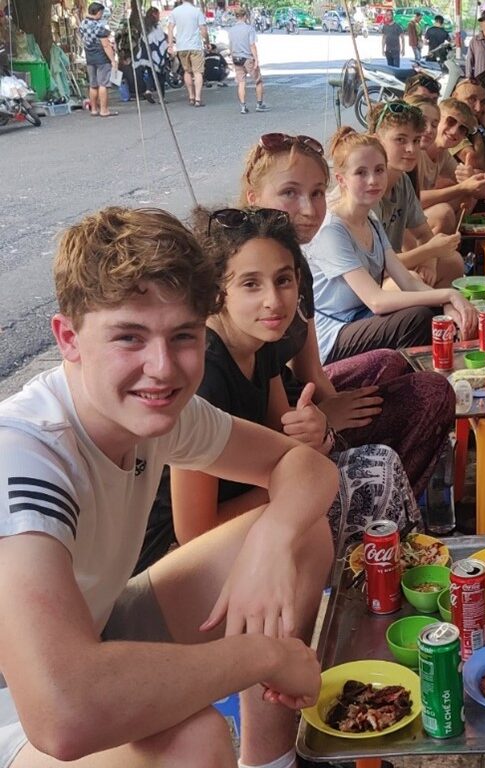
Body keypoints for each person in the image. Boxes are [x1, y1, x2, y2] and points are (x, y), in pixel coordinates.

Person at [0, 206, 335, 768]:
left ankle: (272, 763)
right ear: (68, 339)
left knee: (303, 534)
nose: (161, 368)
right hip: (21, 703)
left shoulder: (157, 412)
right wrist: (262, 657)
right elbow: (62, 713)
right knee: (194, 741)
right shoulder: (28, 455)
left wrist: (272, 540)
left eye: (182, 336)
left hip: (98, 627)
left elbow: (306, 468)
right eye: (129, 337)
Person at [168, 206, 420, 556]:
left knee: (379, 461)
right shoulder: (204, 376)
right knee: (370, 476)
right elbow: (193, 534)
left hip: (258, 493)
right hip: (183, 552)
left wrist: (315, 431)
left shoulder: (262, 341)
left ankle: (396, 575)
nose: (273, 301)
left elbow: (280, 439)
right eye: (251, 284)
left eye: (283, 280)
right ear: (217, 292)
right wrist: (299, 482)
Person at [238, 131, 457, 504]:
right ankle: (375, 502)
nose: (308, 209)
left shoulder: (298, 265)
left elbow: (310, 370)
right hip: (274, 440)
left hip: (302, 410)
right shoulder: (245, 271)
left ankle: (391, 497)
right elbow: (271, 408)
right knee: (426, 382)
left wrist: (334, 410)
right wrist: (326, 426)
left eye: (317, 193)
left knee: (397, 367)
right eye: (290, 193)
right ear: (254, 198)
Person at [309, 126, 477, 364]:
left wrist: (448, 303)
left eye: (379, 170)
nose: (373, 180)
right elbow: (376, 301)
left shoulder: (371, 219)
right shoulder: (332, 231)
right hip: (332, 334)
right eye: (361, 173)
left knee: (437, 313)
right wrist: (448, 294)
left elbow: (406, 281)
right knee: (417, 318)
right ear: (341, 180)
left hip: (360, 319)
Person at [363, 100, 465, 287]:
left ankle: (437, 314)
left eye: (416, 141)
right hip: (367, 284)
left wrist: (429, 262)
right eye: (400, 140)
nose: (411, 149)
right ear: (377, 141)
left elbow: (424, 234)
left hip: (391, 269)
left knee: (454, 262)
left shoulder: (402, 181)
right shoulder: (367, 190)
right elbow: (375, 266)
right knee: (413, 282)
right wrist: (429, 252)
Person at [413, 97, 485, 230]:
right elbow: (412, 201)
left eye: (462, 129)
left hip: (414, 215)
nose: (454, 131)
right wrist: (462, 187)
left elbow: (477, 192)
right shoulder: (415, 150)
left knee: (470, 189)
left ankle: (454, 240)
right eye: (451, 121)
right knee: (443, 213)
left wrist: (474, 181)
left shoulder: (443, 154)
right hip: (399, 221)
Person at [228, 7, 269, 115]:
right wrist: (256, 59)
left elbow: (231, 46)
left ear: (236, 17)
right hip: (247, 58)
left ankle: (243, 106)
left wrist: (232, 59)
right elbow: (252, 45)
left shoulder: (231, 30)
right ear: (245, 16)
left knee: (241, 82)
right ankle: (259, 104)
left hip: (236, 58)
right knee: (258, 81)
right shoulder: (249, 29)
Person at [167, 0, 208, 107]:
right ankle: (198, 99)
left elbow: (170, 28)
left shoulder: (175, 12)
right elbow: (203, 29)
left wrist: (170, 45)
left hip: (182, 46)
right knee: (198, 72)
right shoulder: (196, 11)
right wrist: (207, 42)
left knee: (187, 71)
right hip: (195, 46)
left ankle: (191, 97)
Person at [81, 2, 118, 117]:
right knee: (103, 84)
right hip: (101, 58)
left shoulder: (82, 24)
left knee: (93, 84)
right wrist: (113, 60)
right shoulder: (99, 27)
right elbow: (106, 45)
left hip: (89, 57)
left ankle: (94, 110)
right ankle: (104, 110)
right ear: (98, 12)